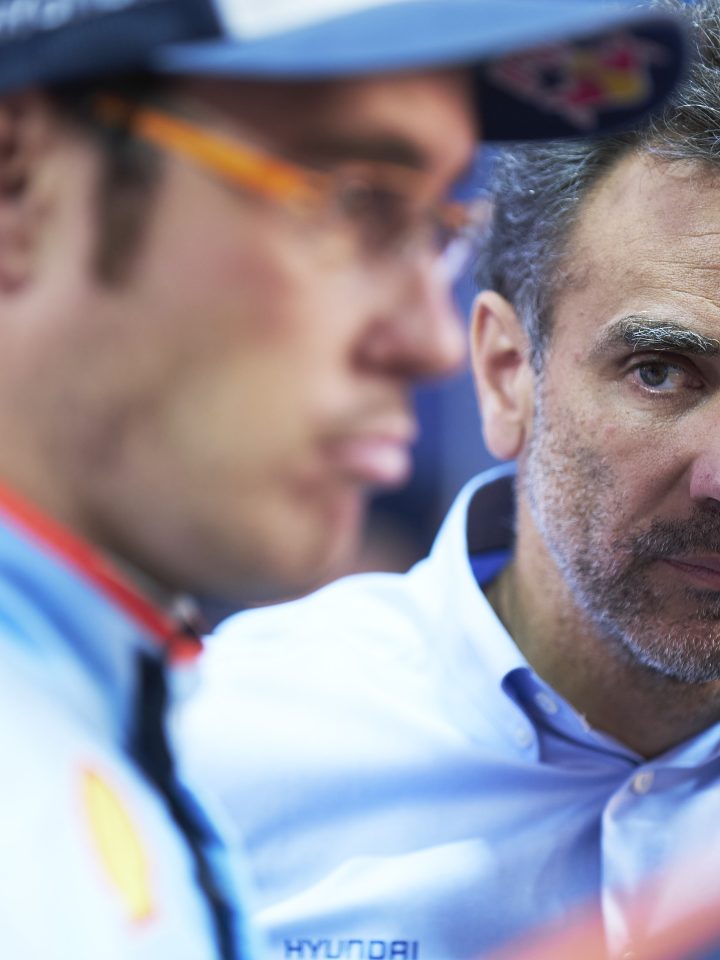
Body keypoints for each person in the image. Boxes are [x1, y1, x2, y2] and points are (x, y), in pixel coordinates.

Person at [0, 0, 686, 957]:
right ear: (19, 180)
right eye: (356, 204)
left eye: (434, 229)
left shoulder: (102, 719)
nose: (429, 339)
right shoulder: (168, 739)